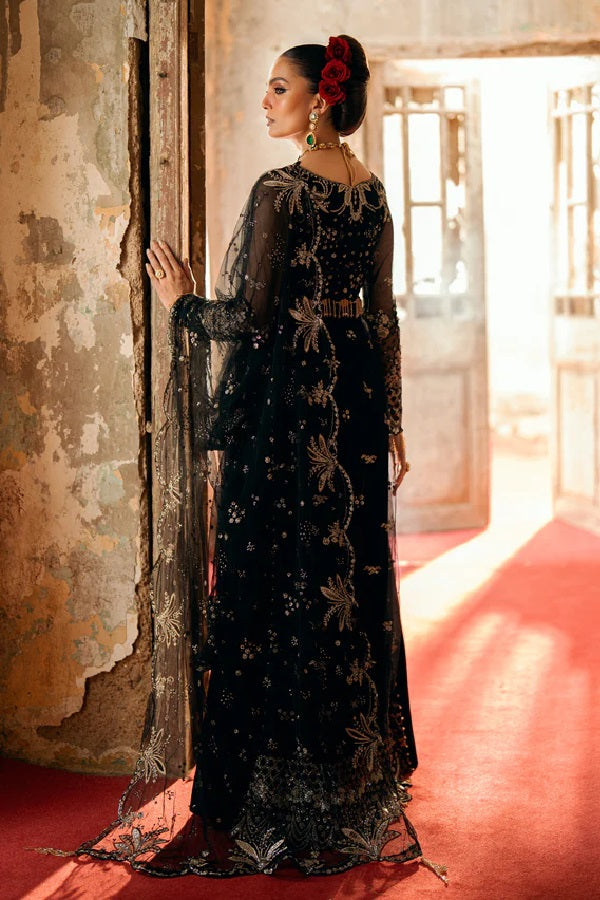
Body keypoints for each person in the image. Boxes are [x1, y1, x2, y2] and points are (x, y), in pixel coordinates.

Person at [36, 35, 447, 883]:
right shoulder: (372, 195)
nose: (266, 102)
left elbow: (248, 320)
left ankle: (220, 821)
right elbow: (382, 313)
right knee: (340, 597)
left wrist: (183, 301)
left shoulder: (280, 191)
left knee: (259, 600)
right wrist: (393, 420)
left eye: (278, 89)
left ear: (319, 100)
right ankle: (334, 801)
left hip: (285, 422)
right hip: (354, 416)